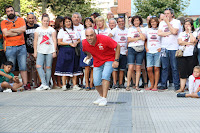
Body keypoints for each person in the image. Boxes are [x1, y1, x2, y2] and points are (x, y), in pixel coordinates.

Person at [82, 27, 120, 106]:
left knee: (105, 76)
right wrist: (89, 56)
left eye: (91, 35)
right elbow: (86, 50)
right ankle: (101, 96)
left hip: (109, 59)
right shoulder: (84, 43)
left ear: (95, 34)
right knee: (96, 82)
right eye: (87, 36)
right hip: (97, 61)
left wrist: (116, 60)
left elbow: (118, 46)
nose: (89, 38)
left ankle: (104, 98)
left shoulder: (104, 39)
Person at [1, 5, 29, 90]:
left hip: (21, 46)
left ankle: (25, 84)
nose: (10, 12)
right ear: (6, 13)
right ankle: (11, 85)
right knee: (10, 67)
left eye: (11, 10)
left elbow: (23, 29)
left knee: (23, 66)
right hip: (10, 47)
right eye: (8, 11)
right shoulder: (3, 22)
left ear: (14, 11)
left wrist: (12, 30)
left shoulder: (21, 20)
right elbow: (6, 33)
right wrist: (18, 31)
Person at [54, 16, 82, 91]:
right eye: (66, 22)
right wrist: (69, 43)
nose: (68, 23)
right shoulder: (61, 31)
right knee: (64, 67)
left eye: (69, 21)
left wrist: (76, 42)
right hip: (65, 50)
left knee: (75, 67)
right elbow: (59, 42)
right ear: (64, 23)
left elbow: (79, 39)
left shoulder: (75, 30)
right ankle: (64, 85)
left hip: (74, 50)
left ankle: (75, 84)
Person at [158, 8, 181, 91]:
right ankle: (163, 84)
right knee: (164, 67)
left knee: (174, 67)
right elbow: (159, 33)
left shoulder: (176, 22)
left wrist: (168, 23)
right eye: (165, 13)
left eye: (167, 13)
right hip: (164, 47)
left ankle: (177, 85)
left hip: (174, 48)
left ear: (172, 14)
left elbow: (175, 32)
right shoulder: (161, 23)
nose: (166, 15)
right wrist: (169, 32)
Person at [33, 13, 57, 91]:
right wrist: (35, 51)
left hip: (49, 50)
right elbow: (35, 40)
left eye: (47, 21)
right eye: (44, 21)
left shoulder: (51, 30)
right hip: (40, 50)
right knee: (38, 66)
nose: (46, 22)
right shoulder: (38, 29)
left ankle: (46, 84)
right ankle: (44, 83)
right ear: (42, 21)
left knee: (48, 67)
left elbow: (54, 40)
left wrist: (54, 51)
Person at [126, 15, 146, 91]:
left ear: (140, 21)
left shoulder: (143, 29)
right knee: (130, 67)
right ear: (132, 22)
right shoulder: (130, 29)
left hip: (140, 49)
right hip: (131, 48)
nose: (136, 22)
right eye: (135, 21)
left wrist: (139, 31)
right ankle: (128, 85)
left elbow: (143, 38)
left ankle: (137, 85)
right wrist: (138, 38)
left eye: (137, 20)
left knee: (138, 68)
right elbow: (129, 40)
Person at [176, 19, 196, 92]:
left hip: (191, 54)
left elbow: (193, 40)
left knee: (191, 71)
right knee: (182, 71)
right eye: (185, 24)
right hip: (182, 54)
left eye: (188, 24)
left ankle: (191, 88)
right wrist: (189, 43)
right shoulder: (181, 33)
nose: (187, 26)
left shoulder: (194, 33)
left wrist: (190, 32)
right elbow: (180, 42)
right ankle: (182, 88)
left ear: (191, 25)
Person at [108, 16, 128, 89]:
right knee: (115, 69)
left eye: (122, 21)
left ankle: (120, 84)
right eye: (119, 21)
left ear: (124, 22)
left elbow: (128, 40)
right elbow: (108, 37)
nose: (121, 23)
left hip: (124, 52)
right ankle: (115, 83)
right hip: (116, 52)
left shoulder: (127, 30)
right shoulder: (115, 30)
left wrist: (128, 49)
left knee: (122, 69)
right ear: (117, 23)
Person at [145, 16, 161, 91]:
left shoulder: (160, 30)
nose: (153, 23)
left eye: (154, 22)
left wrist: (161, 47)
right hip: (149, 51)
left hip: (157, 51)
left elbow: (163, 39)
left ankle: (155, 85)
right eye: (152, 22)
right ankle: (151, 84)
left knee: (156, 68)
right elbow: (145, 40)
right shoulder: (147, 30)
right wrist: (146, 48)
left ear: (157, 22)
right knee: (149, 69)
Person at [25, 12, 40, 89]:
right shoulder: (25, 27)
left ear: (34, 19)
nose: (31, 20)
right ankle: (29, 82)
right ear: (27, 19)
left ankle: (37, 82)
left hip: (37, 50)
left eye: (32, 18)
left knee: (36, 68)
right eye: (29, 18)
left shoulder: (38, 27)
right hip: (27, 50)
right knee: (28, 67)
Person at [80, 17, 95, 91]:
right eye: (87, 22)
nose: (88, 23)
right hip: (86, 50)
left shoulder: (95, 31)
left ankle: (91, 83)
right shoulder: (83, 31)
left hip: (94, 49)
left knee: (93, 67)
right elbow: (83, 41)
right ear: (84, 23)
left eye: (90, 21)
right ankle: (86, 83)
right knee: (87, 67)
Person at [51, 16, 64, 89]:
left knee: (59, 67)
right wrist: (55, 50)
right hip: (55, 50)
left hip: (62, 50)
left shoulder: (64, 30)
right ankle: (55, 83)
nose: (62, 23)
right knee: (54, 67)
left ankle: (60, 82)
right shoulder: (54, 30)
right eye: (61, 22)